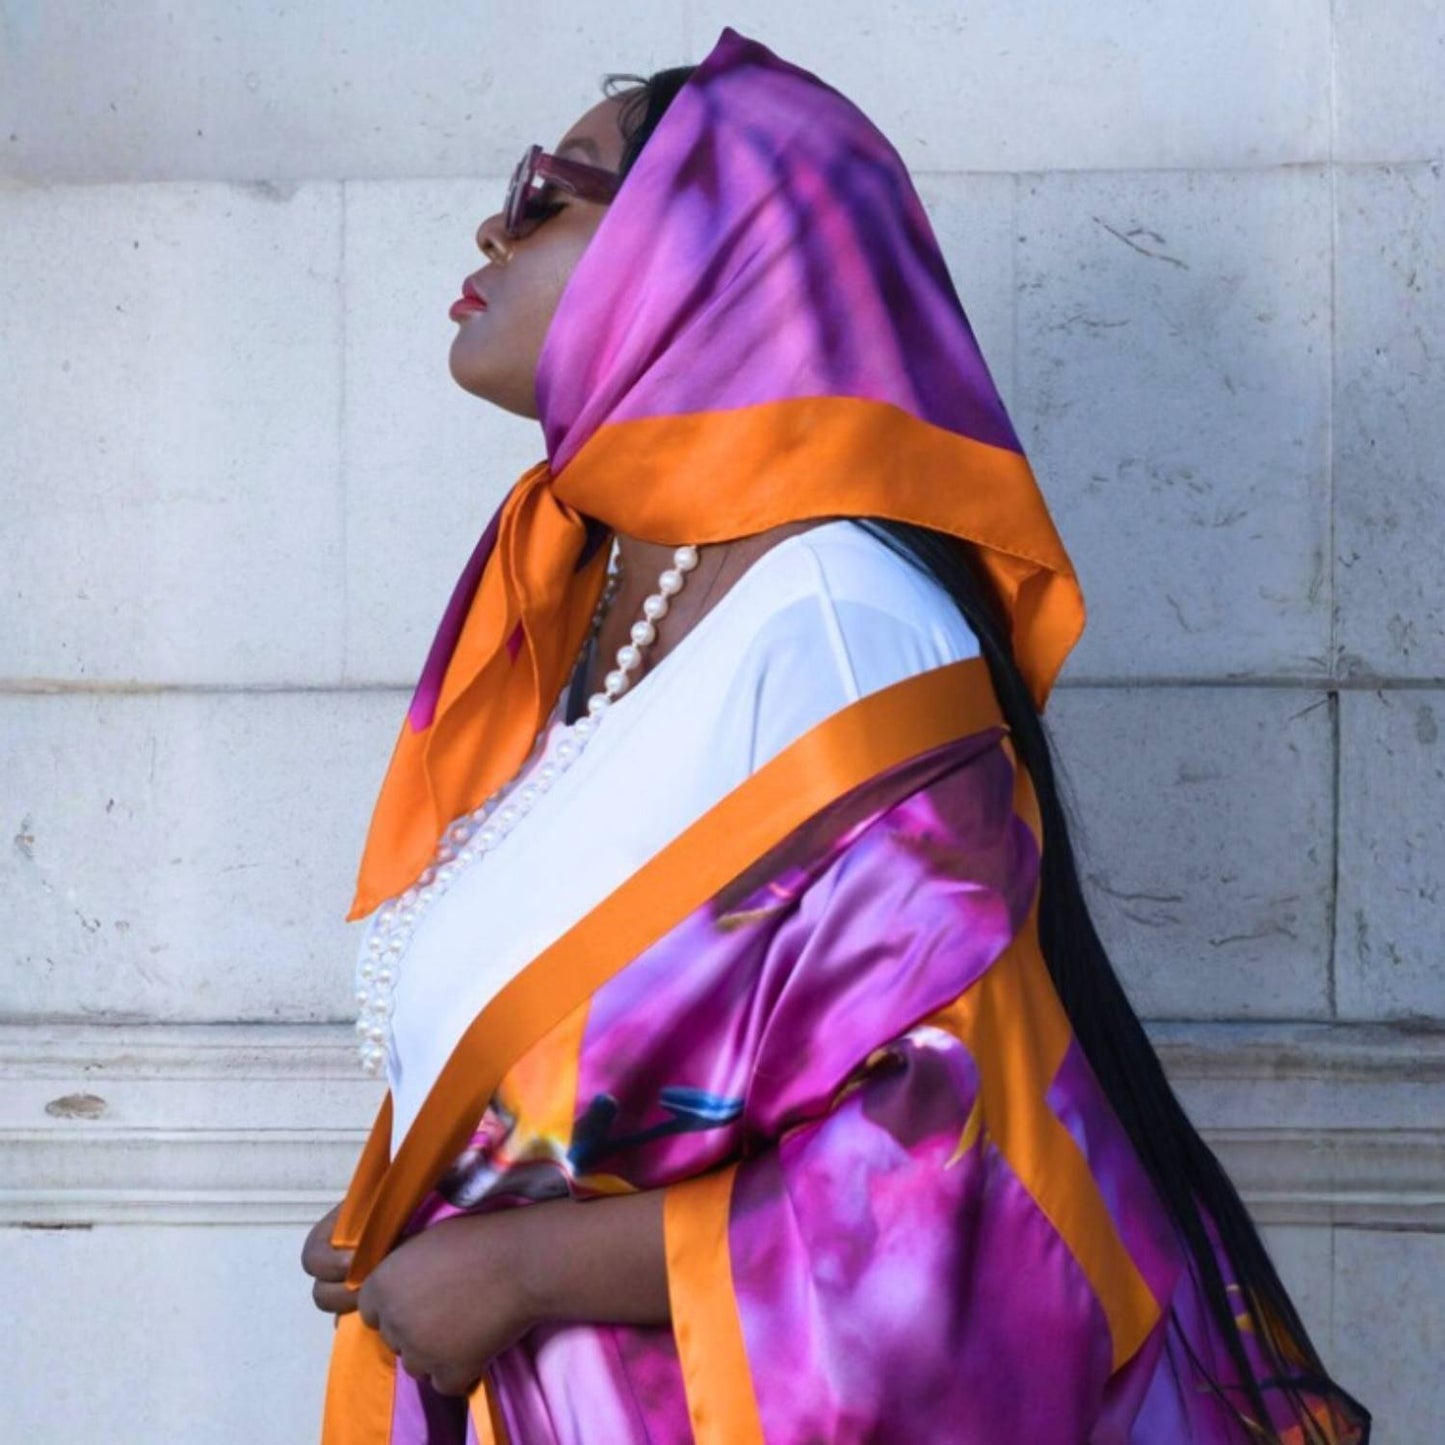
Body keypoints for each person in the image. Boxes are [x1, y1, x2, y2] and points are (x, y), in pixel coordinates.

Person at [302, 25, 1372, 1445]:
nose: (493, 223)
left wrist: (515, 1264)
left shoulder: (838, 620)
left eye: (549, 187)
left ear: (705, 253)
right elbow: (631, 1068)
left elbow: (964, 1151)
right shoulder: (603, 602)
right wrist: (436, 1202)